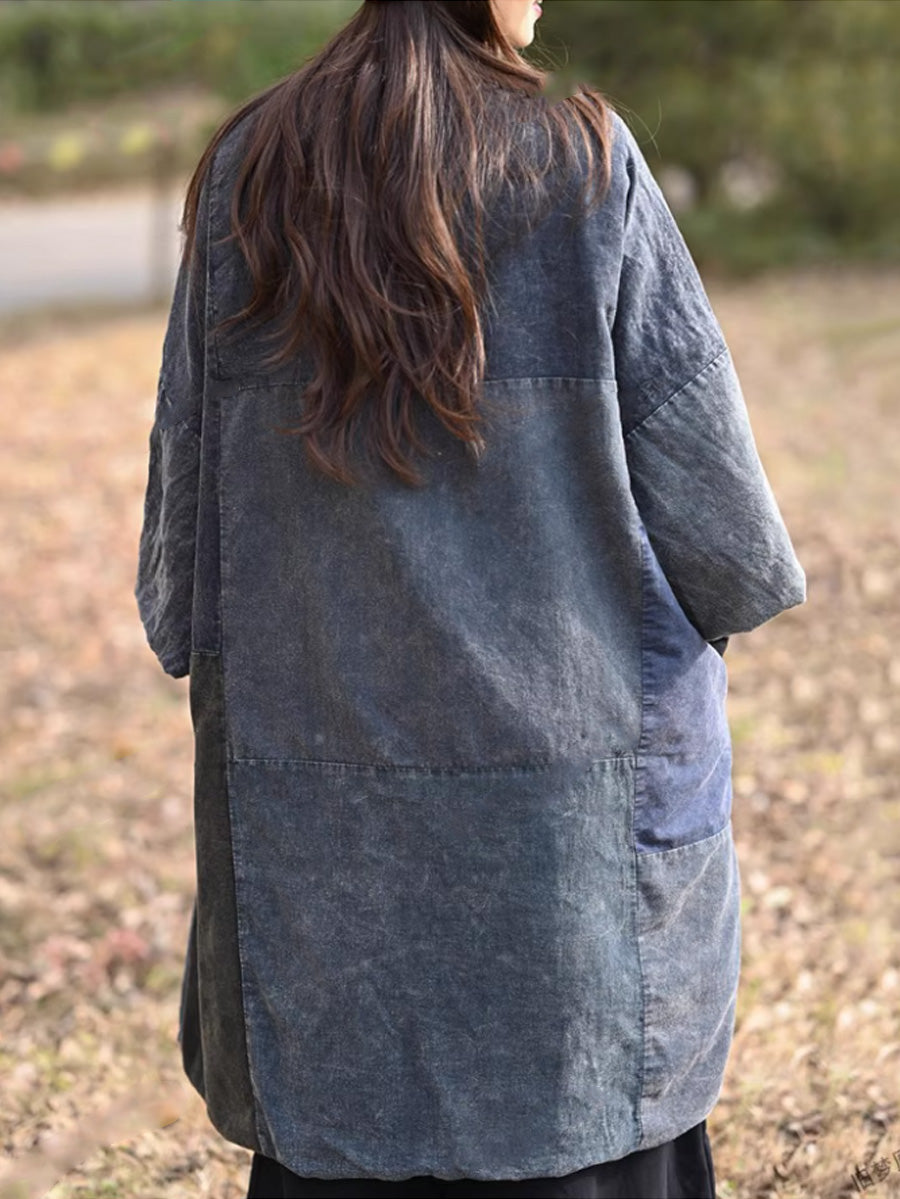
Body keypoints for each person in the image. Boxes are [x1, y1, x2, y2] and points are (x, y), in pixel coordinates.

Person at [135, 1, 806, 1196]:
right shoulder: (583, 166)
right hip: (574, 912)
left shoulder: (249, 169)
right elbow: (731, 547)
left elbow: (183, 567)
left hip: (319, 909)